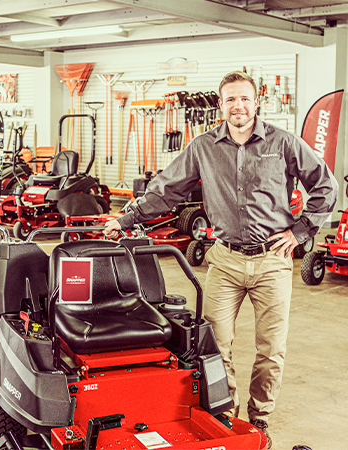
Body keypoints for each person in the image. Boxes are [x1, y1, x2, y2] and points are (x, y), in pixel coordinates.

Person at [104, 71, 338, 449]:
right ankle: (223, 414)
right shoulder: (203, 147)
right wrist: (127, 218)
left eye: (244, 98)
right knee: (213, 344)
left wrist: (301, 231)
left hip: (272, 262)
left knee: (271, 350)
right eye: (230, 99)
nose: (238, 106)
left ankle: (259, 419)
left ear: (257, 101)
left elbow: (326, 185)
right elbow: (166, 189)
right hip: (225, 262)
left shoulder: (283, 143)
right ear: (221, 104)